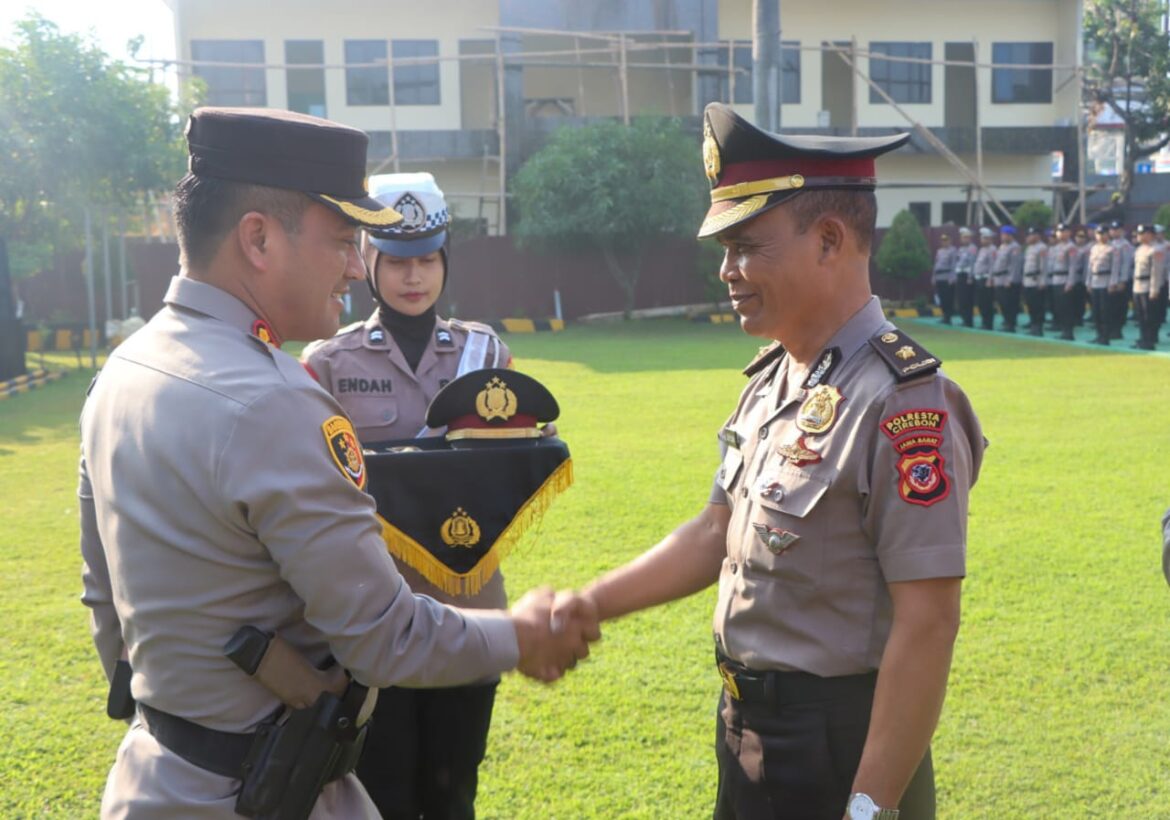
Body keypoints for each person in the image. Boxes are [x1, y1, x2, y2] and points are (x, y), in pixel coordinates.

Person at [78, 107, 597, 819]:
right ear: (258, 238)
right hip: (264, 789)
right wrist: (526, 632)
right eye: (344, 240)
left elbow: (105, 603)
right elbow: (386, 639)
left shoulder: (124, 368)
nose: (358, 266)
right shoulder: (274, 401)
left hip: (155, 776)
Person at [553, 103, 985, 820]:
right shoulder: (774, 380)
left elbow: (929, 621)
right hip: (751, 730)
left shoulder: (906, 404)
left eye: (747, 246)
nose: (728, 271)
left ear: (828, 240)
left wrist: (870, 807)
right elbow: (711, 533)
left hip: (845, 745)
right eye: (725, 250)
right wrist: (591, 604)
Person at [301, 172, 515, 819]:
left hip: (467, 609)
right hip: (375, 616)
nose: (413, 276)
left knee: (454, 798)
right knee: (383, 795)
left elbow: (512, 464)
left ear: (445, 258)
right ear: (367, 261)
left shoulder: (485, 353)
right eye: (396, 260)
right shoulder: (329, 364)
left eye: (427, 259)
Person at [1131, 224, 1165, 350]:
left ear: (1150, 235)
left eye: (1142, 233)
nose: (1139, 236)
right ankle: (1143, 339)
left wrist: (1154, 289)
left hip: (1148, 286)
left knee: (1148, 315)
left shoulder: (1156, 250)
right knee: (1140, 316)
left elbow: (1156, 272)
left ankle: (1149, 341)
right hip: (1138, 285)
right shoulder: (1139, 249)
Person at [1087, 224, 1121, 345]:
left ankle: (1105, 336)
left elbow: (1115, 268)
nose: (1101, 236)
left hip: (1106, 281)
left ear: (1108, 235)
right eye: (1098, 234)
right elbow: (1090, 267)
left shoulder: (1112, 249)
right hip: (1095, 281)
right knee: (1096, 311)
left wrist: (1113, 283)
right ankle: (1099, 334)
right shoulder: (1094, 248)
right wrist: (1088, 282)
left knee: (1105, 311)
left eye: (1103, 234)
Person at [1046, 224, 1075, 341]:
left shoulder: (1071, 247)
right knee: (1059, 307)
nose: (1060, 233)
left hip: (1065, 279)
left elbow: (1073, 266)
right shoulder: (1057, 247)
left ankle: (1068, 332)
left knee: (1066, 307)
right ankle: (1063, 330)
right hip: (1055, 279)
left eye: (1063, 231)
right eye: (1058, 231)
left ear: (1068, 233)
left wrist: (1070, 282)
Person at [992, 225, 1022, 332]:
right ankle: (1006, 322)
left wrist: (1010, 279)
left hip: (1008, 279)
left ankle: (1011, 324)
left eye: (1004, 235)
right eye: (1002, 235)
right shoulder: (1002, 247)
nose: (1002, 237)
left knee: (1010, 303)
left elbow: (1015, 265)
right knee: (1002, 302)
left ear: (1010, 236)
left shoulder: (1015, 247)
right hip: (999, 278)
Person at [1109, 220, 1135, 340]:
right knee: (1110, 306)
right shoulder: (1110, 244)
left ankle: (1117, 330)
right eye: (1112, 230)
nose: (1114, 232)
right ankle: (1111, 328)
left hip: (1120, 279)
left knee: (1120, 306)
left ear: (1121, 231)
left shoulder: (1125, 245)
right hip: (1110, 279)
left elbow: (1126, 264)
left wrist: (1123, 281)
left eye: (1116, 229)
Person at [1021, 227, 1048, 336]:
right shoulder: (1029, 248)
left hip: (1036, 280)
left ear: (1037, 236)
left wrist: (1042, 281)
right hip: (1028, 280)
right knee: (1030, 304)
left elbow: (1043, 266)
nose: (1028, 237)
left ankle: (1038, 327)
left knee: (1038, 305)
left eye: (1030, 235)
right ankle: (1033, 325)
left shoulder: (1042, 248)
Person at [973, 227, 997, 330]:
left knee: (987, 303)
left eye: (984, 238)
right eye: (982, 238)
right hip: (979, 278)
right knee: (981, 303)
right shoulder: (982, 249)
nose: (982, 240)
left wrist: (990, 279)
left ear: (989, 239)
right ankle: (984, 322)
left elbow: (992, 265)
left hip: (986, 279)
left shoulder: (992, 249)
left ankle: (988, 324)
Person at [930, 232, 956, 324]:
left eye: (946, 240)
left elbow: (953, 265)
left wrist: (952, 277)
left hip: (947, 277)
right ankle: (944, 315)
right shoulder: (939, 251)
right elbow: (936, 264)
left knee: (947, 298)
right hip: (939, 277)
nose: (944, 242)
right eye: (943, 240)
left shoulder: (952, 250)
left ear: (949, 241)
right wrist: (933, 277)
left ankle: (948, 317)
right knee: (941, 298)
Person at [953, 227, 976, 328]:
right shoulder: (961, 249)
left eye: (966, 237)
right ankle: (963, 319)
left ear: (970, 238)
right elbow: (957, 263)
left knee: (967, 299)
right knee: (961, 299)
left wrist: (970, 277)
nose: (964, 239)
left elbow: (972, 263)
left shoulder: (973, 248)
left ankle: (968, 320)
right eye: (963, 237)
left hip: (967, 276)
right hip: (960, 275)